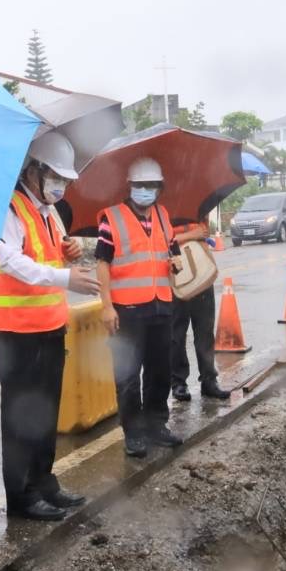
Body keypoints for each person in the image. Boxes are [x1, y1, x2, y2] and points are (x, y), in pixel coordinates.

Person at [0, 131, 101, 521]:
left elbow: (49, 258)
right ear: (33, 169)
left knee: (46, 409)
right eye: (55, 176)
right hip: (15, 330)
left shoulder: (49, 211)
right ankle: (21, 496)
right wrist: (67, 279)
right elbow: (9, 261)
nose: (61, 185)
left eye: (66, 179)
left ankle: (44, 481)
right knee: (21, 414)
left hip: (49, 325)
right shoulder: (10, 208)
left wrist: (69, 251)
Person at [97, 157, 184, 459]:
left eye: (152, 186)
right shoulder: (113, 218)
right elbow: (102, 263)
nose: (146, 191)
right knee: (129, 375)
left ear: (159, 188)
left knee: (160, 370)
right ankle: (133, 432)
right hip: (127, 309)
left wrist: (176, 262)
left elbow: (172, 251)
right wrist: (106, 306)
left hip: (161, 304)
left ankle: (156, 424)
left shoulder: (162, 215)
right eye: (141, 185)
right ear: (130, 186)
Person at [169, 218, 231, 403]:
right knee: (176, 335)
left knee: (204, 332)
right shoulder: (160, 210)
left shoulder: (198, 206)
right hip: (175, 280)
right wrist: (190, 236)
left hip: (202, 276)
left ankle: (209, 380)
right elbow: (158, 241)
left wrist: (200, 233)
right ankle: (178, 383)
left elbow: (204, 232)